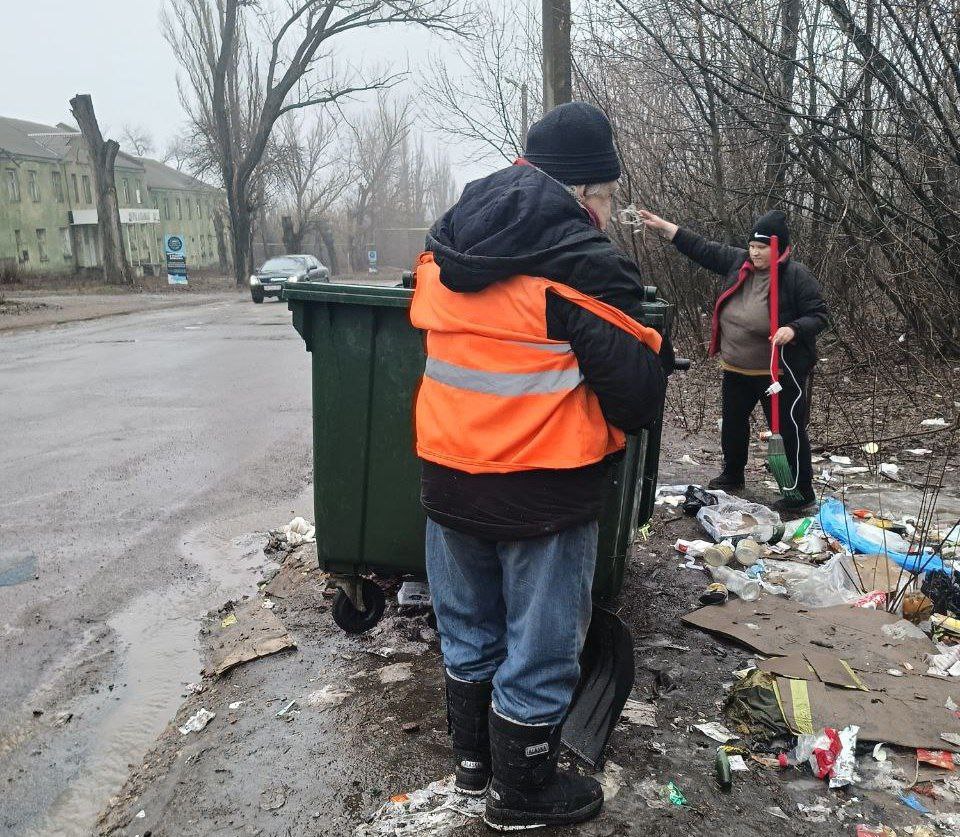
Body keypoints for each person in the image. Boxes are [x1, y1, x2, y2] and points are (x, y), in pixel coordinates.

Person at [409, 102, 670, 831]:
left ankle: (474, 766)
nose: (608, 214)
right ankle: (522, 792)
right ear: (584, 191)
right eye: (608, 198)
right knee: (541, 646)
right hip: (541, 489)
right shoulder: (581, 268)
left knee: (469, 630)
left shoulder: (449, 244)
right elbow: (639, 394)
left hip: (447, 475)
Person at [637, 208, 828, 510]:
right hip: (736, 368)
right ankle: (733, 474)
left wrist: (793, 329)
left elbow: (818, 315)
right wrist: (664, 227)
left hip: (778, 373)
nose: (755, 252)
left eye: (762, 247)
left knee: (788, 431)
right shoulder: (739, 262)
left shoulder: (795, 276)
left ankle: (801, 492)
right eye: (752, 246)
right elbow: (702, 248)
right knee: (733, 426)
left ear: (778, 248)